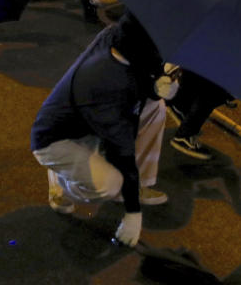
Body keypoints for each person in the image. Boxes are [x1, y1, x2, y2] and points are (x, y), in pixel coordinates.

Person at [30, 12, 175, 246]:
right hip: (54, 140)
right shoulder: (103, 81)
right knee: (110, 183)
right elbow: (123, 150)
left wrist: (159, 83)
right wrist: (133, 212)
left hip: (88, 120)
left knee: (155, 107)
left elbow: (146, 70)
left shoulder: (120, 36)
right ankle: (62, 184)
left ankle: (139, 185)